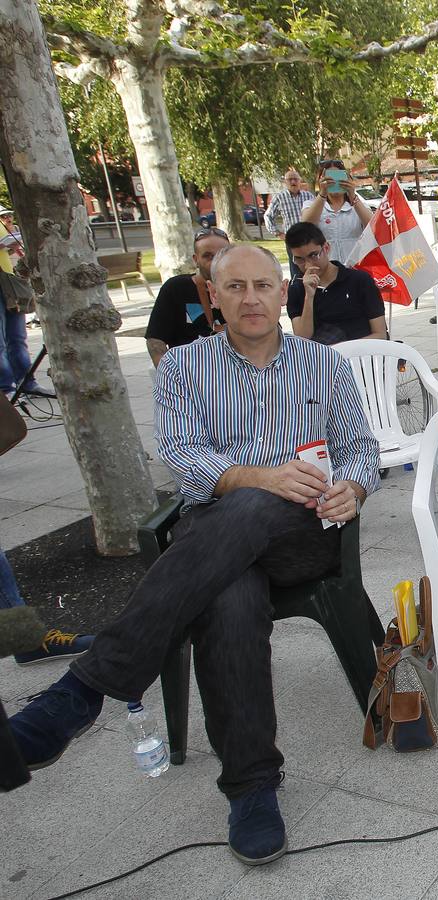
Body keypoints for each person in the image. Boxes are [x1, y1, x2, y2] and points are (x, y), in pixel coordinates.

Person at [8, 244, 381, 863]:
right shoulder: (183, 368)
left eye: (264, 285)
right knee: (230, 594)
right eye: (235, 287)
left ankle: (83, 690)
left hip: (304, 537)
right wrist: (257, 477)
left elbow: (359, 448)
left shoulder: (324, 364)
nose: (252, 298)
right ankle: (252, 785)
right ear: (213, 295)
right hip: (220, 536)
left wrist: (353, 485)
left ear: (283, 292)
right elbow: (181, 456)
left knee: (261, 511)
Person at [284, 222, 386, 345]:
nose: (308, 265)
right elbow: (303, 338)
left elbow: (380, 334)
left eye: (313, 255)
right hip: (322, 359)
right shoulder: (296, 288)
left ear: (326, 248)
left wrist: (337, 351)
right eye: (299, 259)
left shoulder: (359, 280)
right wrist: (309, 296)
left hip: (362, 355)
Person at [145, 227, 230, 367]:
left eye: (222, 255)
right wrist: (168, 375)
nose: (215, 262)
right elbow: (155, 340)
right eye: (208, 256)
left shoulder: (246, 287)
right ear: (196, 260)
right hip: (192, 373)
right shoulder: (176, 288)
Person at [0, 212, 53, 398]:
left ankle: (27, 382)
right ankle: (6, 389)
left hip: (7, 282)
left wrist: (9, 246)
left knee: (17, 337)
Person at [299, 158, 373, 264]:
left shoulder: (358, 206)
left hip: (355, 268)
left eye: (339, 177)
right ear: (321, 180)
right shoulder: (311, 205)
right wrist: (322, 194)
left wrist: (352, 196)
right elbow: (305, 227)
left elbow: (373, 227)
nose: (334, 181)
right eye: (329, 177)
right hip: (325, 269)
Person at [263, 169, 314, 271]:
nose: (293, 182)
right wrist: (278, 233)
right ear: (285, 182)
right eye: (290, 179)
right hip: (291, 239)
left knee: (312, 265)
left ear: (300, 181)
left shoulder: (309, 196)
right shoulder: (279, 197)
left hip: (308, 238)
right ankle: (296, 286)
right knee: (296, 268)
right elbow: (268, 216)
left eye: (295, 179)